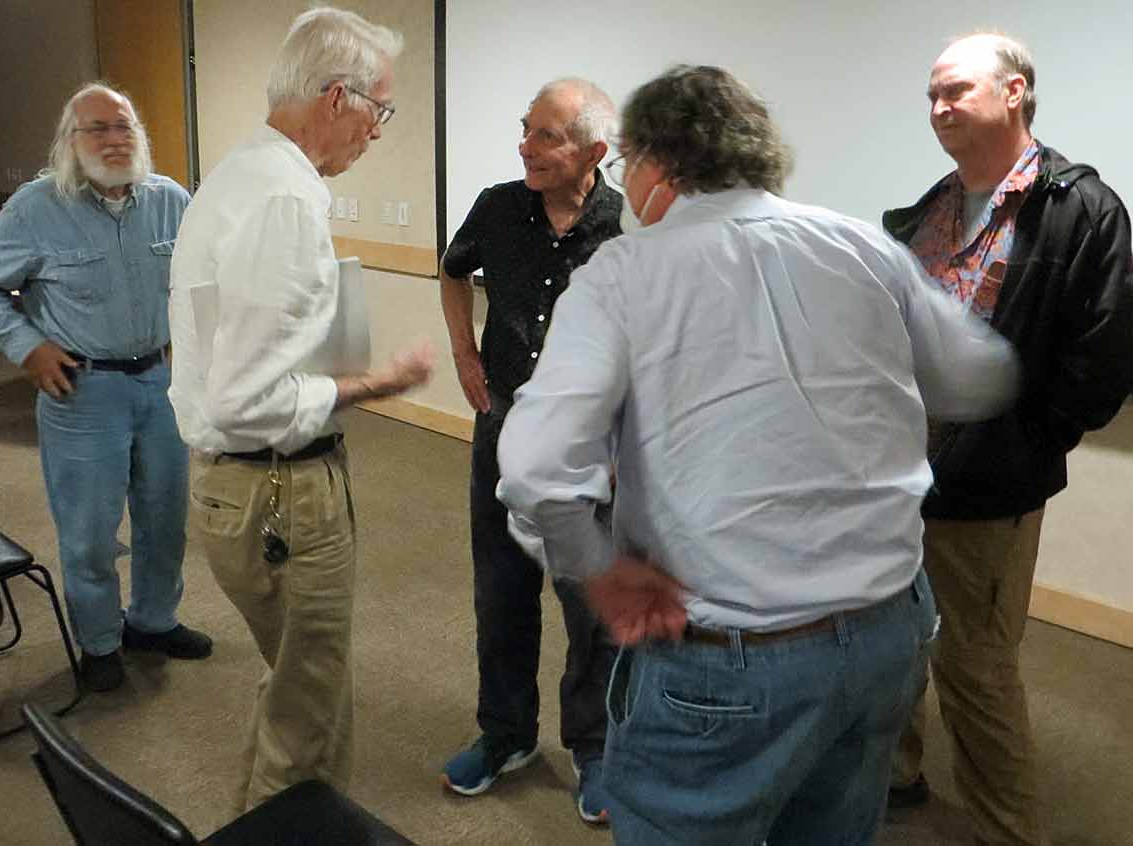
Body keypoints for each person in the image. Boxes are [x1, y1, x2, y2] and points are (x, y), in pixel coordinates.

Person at [496, 65, 1022, 846]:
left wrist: (597, 570)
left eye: (627, 163)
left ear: (658, 164)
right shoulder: (860, 247)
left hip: (729, 660)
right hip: (887, 635)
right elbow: (978, 377)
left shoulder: (625, 274)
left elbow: (535, 471)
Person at [167, 7, 433, 811]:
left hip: (240, 487)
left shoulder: (244, 171)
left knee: (289, 690)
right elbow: (246, 399)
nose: (378, 130)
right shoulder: (284, 198)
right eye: (380, 108)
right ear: (337, 97)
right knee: (308, 724)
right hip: (278, 494)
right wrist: (376, 384)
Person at [884, 33, 1133, 845]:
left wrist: (1023, 444)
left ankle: (1008, 830)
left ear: (1015, 91)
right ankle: (897, 775)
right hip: (896, 473)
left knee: (975, 666)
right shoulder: (934, 204)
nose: (938, 107)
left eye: (955, 90)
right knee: (892, 639)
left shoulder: (1081, 209)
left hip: (989, 486)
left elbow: (1100, 362)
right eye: (931, 95)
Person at [0, 83, 211, 693]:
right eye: (98, 128)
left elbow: (199, 286)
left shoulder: (172, 200)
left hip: (159, 385)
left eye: (124, 126)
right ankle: (100, 641)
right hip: (82, 392)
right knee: (89, 532)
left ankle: (153, 622)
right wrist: (27, 346)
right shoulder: (35, 208)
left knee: (165, 519)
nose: (114, 139)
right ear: (70, 140)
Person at [437, 78, 621, 822]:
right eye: (526, 129)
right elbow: (453, 271)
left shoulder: (629, 228)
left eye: (547, 135)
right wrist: (463, 353)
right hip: (504, 427)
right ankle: (506, 734)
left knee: (590, 605)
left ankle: (595, 748)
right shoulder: (496, 206)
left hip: (587, 445)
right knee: (501, 588)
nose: (526, 147)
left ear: (594, 151)